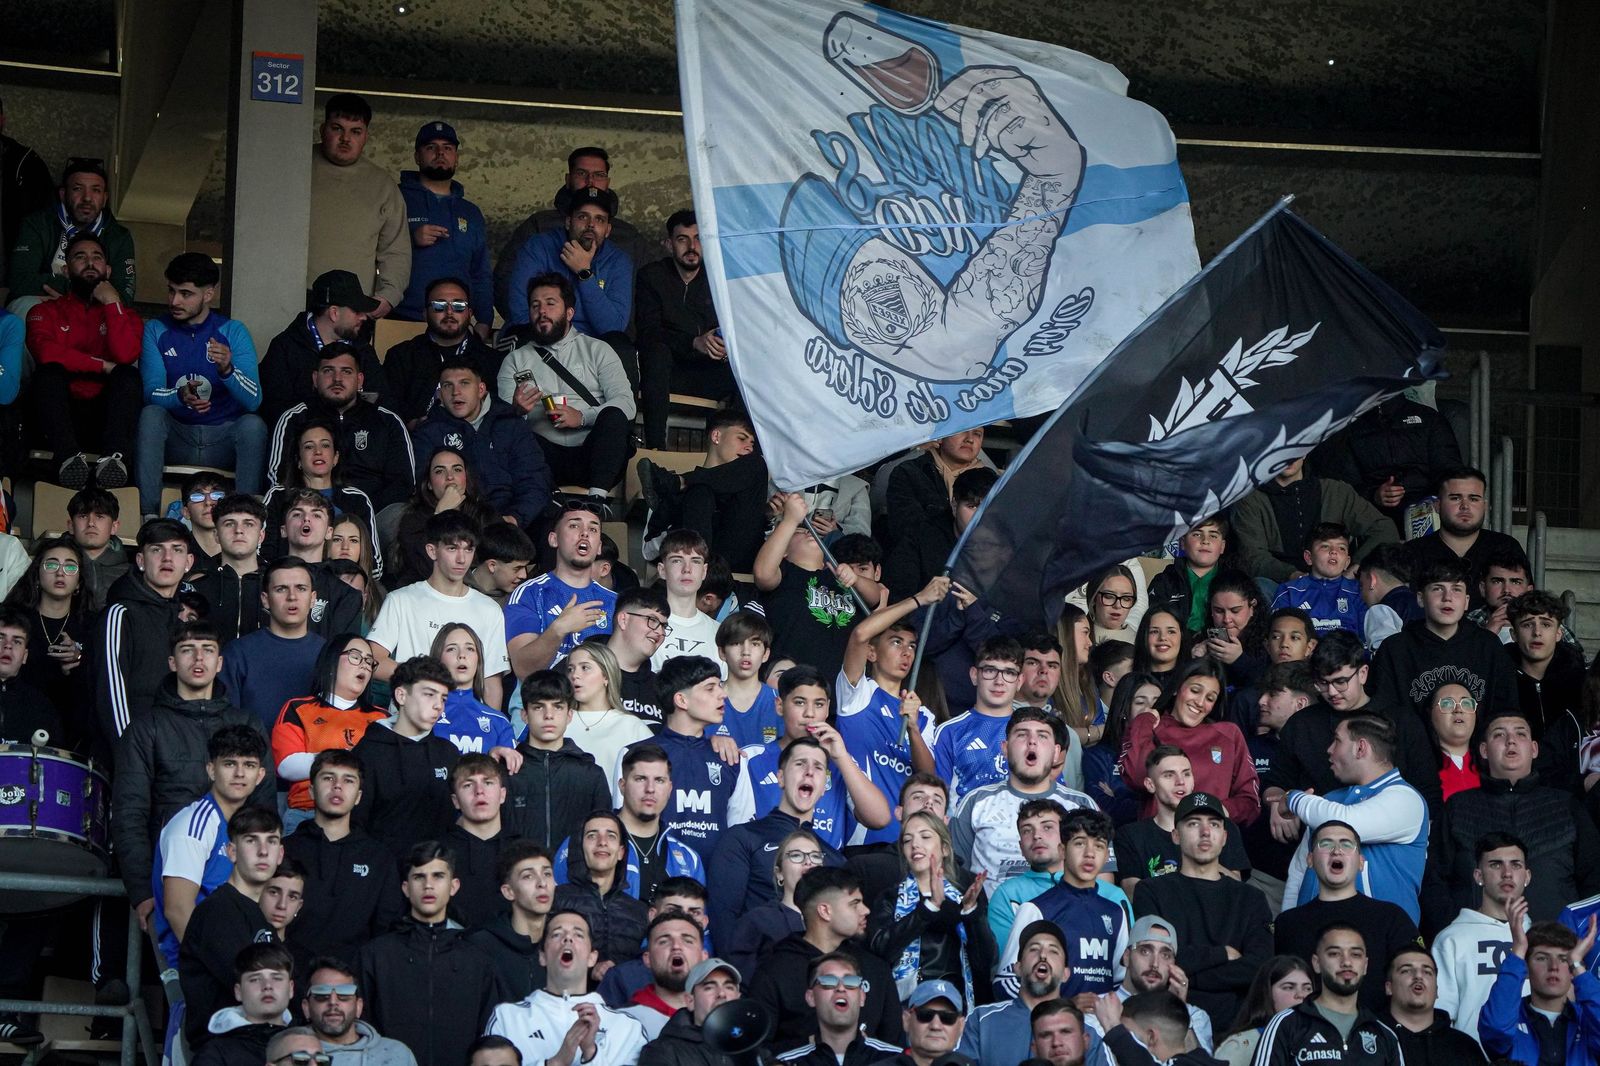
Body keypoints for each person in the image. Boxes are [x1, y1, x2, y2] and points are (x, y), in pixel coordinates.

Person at [115, 622, 274, 930]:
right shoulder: (146, 728)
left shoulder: (247, 723)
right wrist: (141, 891)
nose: (198, 659)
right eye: (188, 650)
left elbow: (264, 809)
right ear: (172, 662)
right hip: (171, 873)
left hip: (236, 875)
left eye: (208, 650)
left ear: (220, 662)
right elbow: (129, 812)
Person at [134, 252, 266, 515]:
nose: (174, 301)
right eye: (171, 291)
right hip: (178, 437)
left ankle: (246, 516)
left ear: (209, 294)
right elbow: (151, 392)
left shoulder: (233, 331)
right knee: (151, 415)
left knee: (253, 425)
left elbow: (254, 400)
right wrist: (180, 395)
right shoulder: (156, 329)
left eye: (186, 294)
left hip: (223, 440)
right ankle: (148, 516)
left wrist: (227, 370)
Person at [1261, 629, 1441, 821]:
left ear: (1362, 674)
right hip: (1313, 832)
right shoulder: (1301, 724)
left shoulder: (1403, 721)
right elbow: (1275, 784)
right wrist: (1278, 806)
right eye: (1322, 683)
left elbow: (1427, 792)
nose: (1331, 692)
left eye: (1340, 681)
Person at [1439, 709, 1600, 921]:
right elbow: (1436, 880)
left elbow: (1594, 878)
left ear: (1534, 749)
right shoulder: (1458, 806)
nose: (1511, 741)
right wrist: (1451, 930)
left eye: (1520, 734)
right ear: (1484, 750)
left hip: (1557, 946)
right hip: (1473, 947)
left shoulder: (1567, 805)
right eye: (1499, 734)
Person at [1130, 793, 1272, 1031]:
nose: (1205, 832)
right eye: (1194, 823)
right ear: (1175, 835)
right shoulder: (1150, 891)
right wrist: (1221, 954)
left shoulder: (1251, 898)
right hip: (1170, 1022)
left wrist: (1190, 976)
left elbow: (1260, 968)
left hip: (1239, 1029)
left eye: (1214, 824)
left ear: (1225, 837)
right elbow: (1155, 961)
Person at [357, 841, 499, 1066]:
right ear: (405, 888)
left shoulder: (478, 961)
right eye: (419, 877)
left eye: (438, 876)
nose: (428, 885)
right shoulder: (376, 955)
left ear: (454, 886)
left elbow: (488, 1036)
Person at [498, 272, 636, 504]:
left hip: (594, 455)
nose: (542, 312)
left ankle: (597, 502)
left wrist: (582, 417)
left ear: (569, 312)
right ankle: (550, 499)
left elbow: (627, 404)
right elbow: (500, 422)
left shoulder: (598, 350)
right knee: (507, 425)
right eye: (535, 306)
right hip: (543, 457)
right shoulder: (515, 359)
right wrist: (516, 410)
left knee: (615, 415)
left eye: (550, 304)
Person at [1278, 716, 1430, 924]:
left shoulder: (1406, 798)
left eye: (1337, 741)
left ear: (1360, 748)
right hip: (1313, 934)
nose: (1329, 750)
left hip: (1378, 936)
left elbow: (1345, 823)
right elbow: (1299, 871)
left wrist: (1292, 798)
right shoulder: (1328, 802)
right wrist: (1288, 925)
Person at [147, 724, 270, 966]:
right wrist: (222, 969)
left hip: (236, 957)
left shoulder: (244, 827)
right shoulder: (193, 824)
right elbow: (178, 910)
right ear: (211, 770)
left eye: (249, 765)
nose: (239, 773)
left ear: (260, 775)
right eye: (229, 764)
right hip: (197, 967)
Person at [25, 231, 141, 487]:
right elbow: (46, 353)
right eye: (80, 257)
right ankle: (68, 459)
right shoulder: (44, 311)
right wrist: (102, 365)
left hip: (104, 421)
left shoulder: (126, 315)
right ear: (66, 270)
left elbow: (126, 355)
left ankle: (114, 459)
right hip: (58, 422)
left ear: (108, 270)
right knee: (48, 374)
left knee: (128, 375)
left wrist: (112, 302)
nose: (90, 263)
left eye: (96, 257)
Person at [708, 735, 848, 940]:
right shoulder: (743, 838)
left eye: (818, 767)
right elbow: (724, 921)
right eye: (800, 764)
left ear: (824, 785)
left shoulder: (835, 859)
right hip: (757, 964)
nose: (809, 771)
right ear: (780, 778)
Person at [1272, 821, 1421, 1011]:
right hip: (1304, 1034)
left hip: (1376, 1033)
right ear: (1310, 859)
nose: (1336, 851)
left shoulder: (1391, 917)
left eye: (1346, 844)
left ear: (1361, 862)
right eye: (1325, 844)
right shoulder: (1288, 923)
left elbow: (1413, 981)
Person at [367, 515, 510, 710]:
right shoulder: (401, 600)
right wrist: (421, 678)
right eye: (452, 548)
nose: (461, 559)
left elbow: (491, 682)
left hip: (467, 724)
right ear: (432, 551)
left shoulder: (489, 609)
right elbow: (373, 660)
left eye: (468, 549)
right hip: (411, 719)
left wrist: (491, 727)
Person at [743, 665, 892, 850]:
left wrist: (841, 757)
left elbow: (880, 819)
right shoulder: (750, 758)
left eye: (819, 704)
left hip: (824, 874)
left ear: (828, 708)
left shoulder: (841, 763)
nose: (810, 713)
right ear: (780, 706)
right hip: (766, 870)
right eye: (799, 702)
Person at [751, 867, 905, 1045]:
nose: (866, 910)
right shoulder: (774, 971)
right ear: (825, 911)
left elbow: (894, 1045)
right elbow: (759, 1048)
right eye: (855, 903)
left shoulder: (876, 968)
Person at [952, 706, 1099, 891]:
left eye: (1042, 736)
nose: (1032, 742)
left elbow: (1103, 881)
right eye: (1021, 735)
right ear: (1004, 749)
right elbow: (955, 878)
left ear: (1055, 752)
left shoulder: (1083, 805)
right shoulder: (974, 802)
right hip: (991, 916)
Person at [619, 655, 752, 858]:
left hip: (711, 884)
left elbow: (739, 836)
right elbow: (621, 828)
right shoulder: (632, 755)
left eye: (720, 686)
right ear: (681, 700)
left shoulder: (732, 758)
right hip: (651, 881)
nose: (722, 694)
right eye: (710, 688)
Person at [281, 750, 404, 967]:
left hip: (354, 984)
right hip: (290, 978)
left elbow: (387, 931)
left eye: (348, 780)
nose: (337, 786)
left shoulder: (379, 858)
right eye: (328, 778)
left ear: (358, 796)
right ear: (310, 791)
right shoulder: (284, 851)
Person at [267, 341, 415, 516]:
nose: (337, 379)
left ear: (360, 380)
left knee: (400, 516)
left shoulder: (387, 420)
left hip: (375, 514)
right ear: (315, 379)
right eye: (328, 371)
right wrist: (318, 509)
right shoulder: (295, 418)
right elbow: (279, 477)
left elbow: (403, 483)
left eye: (346, 371)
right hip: (309, 513)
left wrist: (362, 511)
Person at [486, 907, 649, 1066]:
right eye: (557, 934)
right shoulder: (508, 1018)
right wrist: (557, 1062)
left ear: (592, 958)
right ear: (542, 956)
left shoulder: (627, 1028)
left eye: (578, 935)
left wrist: (591, 1053)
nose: (567, 939)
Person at [179, 805, 285, 1046]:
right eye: (251, 841)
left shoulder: (258, 914)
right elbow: (253, 986)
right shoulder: (217, 912)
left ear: (280, 854)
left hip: (258, 1042)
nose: (262, 851)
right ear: (231, 852)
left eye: (271, 841)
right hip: (226, 1048)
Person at [866, 807, 995, 1005]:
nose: (915, 844)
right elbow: (880, 949)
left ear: (944, 848)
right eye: (907, 840)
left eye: (925, 837)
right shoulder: (889, 897)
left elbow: (986, 961)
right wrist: (929, 908)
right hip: (903, 1008)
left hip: (954, 1008)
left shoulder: (963, 898)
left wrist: (971, 912)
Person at [994, 808, 1127, 1000]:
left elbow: (1120, 983)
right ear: (1062, 850)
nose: (1090, 854)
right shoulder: (1036, 909)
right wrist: (1062, 1007)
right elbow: (1005, 983)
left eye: (1099, 846)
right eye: (1080, 843)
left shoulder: (1115, 913)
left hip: (1101, 1027)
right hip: (1049, 1026)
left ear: (1107, 856)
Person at [1369, 557, 1519, 723]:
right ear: (1420, 599)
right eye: (1437, 589)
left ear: (1467, 601)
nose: (1447, 597)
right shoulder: (1395, 649)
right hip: (1412, 747)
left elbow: (1506, 712)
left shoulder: (1489, 646)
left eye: (1456, 589)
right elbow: (1382, 713)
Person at [92, 517, 192, 762]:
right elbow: (111, 696)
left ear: (188, 562)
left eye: (177, 550)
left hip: (178, 764)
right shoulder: (120, 614)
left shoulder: (186, 623)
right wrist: (134, 759)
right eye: (157, 550)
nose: (167, 558)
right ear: (140, 561)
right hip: (133, 763)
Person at [754, 491, 883, 681]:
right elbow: (763, 573)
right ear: (783, 552)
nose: (808, 532)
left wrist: (855, 580)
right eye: (799, 532)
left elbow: (874, 597)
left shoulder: (837, 578)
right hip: (793, 685)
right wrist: (790, 521)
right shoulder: (785, 574)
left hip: (837, 690)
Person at [412, 357, 552, 528]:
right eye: (448, 385)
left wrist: (515, 518)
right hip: (458, 525)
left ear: (481, 389)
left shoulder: (511, 423)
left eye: (464, 383)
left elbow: (534, 480)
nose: (456, 392)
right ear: (440, 395)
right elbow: (424, 488)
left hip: (514, 523)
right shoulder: (428, 432)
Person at [634, 210, 732, 447]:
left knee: (748, 370)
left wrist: (726, 345)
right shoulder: (652, 276)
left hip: (706, 373)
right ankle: (656, 448)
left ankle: (732, 458)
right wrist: (693, 342)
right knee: (656, 353)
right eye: (682, 239)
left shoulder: (717, 279)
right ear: (669, 244)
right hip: (666, 375)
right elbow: (648, 332)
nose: (692, 246)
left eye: (698, 238)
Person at [308, 93, 409, 320]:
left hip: (353, 308)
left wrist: (388, 296)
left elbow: (396, 251)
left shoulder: (383, 185)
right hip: (291, 299)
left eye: (355, 131)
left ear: (365, 137)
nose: (346, 138)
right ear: (323, 129)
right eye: (337, 128)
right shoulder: (296, 165)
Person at [1119, 659, 1259, 824]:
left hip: (1210, 842)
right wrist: (1144, 719)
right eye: (1195, 690)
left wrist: (1210, 812)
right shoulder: (1150, 727)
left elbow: (1250, 801)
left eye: (1210, 698)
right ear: (1176, 688)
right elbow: (1137, 777)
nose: (1200, 703)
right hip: (1158, 841)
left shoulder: (1228, 734)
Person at [349, 656, 460, 857]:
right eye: (429, 694)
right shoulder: (368, 752)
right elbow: (355, 824)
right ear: (401, 695)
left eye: (443, 698)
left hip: (437, 877)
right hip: (381, 872)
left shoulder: (449, 753)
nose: (438, 706)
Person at [270, 635, 385, 829]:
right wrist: (350, 758)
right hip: (307, 812)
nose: (364, 665)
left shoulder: (381, 718)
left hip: (365, 815)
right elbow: (286, 765)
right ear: (331, 661)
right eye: (355, 656)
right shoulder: (298, 708)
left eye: (368, 661)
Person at [1248, 923, 1403, 1065]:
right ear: (1317, 963)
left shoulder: (1384, 1034)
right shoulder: (1286, 1024)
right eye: (1334, 954)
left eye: (1355, 954)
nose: (1347, 962)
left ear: (1365, 966)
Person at [1229, 456, 1397, 585]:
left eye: (1295, 449)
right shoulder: (1250, 500)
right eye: (1282, 451)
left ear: (1306, 450)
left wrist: (1356, 567)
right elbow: (1252, 557)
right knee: (1259, 587)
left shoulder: (1335, 491)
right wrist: (1293, 576)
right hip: (1281, 584)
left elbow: (1384, 528)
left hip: (1338, 579)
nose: (1289, 457)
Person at [1113, 746, 1250, 897]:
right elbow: (1133, 893)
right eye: (1169, 775)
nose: (1180, 782)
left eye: (1186, 774)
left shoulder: (1221, 827)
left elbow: (1239, 890)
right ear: (1150, 785)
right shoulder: (1131, 835)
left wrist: (1205, 864)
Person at [501, 186, 633, 341]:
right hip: (538, 336)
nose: (591, 224)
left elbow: (613, 327)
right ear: (569, 221)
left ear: (608, 230)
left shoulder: (618, 260)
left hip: (591, 346)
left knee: (621, 345)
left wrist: (585, 274)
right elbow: (520, 311)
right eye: (583, 217)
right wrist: (561, 346)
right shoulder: (539, 246)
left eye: (599, 219)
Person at [1315, 394, 1463, 531]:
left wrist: (1441, 498)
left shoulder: (1429, 418)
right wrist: (1374, 495)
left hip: (1430, 510)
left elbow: (1450, 471)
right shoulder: (1351, 428)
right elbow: (1342, 486)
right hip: (1375, 517)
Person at [260, 269, 388, 427]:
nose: (363, 316)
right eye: (356, 310)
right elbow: (274, 411)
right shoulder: (285, 347)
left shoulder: (363, 349)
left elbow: (384, 403)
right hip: (305, 444)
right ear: (334, 313)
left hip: (356, 443)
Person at [261, 415, 385, 576]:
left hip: (344, 584)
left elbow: (373, 564)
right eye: (309, 447)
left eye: (325, 446)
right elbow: (263, 553)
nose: (318, 452)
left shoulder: (357, 499)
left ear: (335, 458)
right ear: (298, 460)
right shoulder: (278, 496)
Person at [395, 122, 492, 328]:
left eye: (447, 148)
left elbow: (480, 272)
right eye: (431, 147)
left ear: (456, 158)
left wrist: (484, 320)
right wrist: (409, 238)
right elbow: (368, 250)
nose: (440, 153)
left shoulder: (470, 212)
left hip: (455, 323)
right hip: (400, 317)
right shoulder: (395, 198)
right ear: (417, 156)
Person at [504, 669, 612, 851]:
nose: (549, 715)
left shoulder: (590, 773)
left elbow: (605, 836)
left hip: (575, 877)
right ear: (524, 715)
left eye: (558, 707)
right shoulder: (506, 770)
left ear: (569, 715)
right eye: (538, 707)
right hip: (518, 875)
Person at [504, 500, 615, 676]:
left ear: (599, 547)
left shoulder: (614, 602)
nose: (585, 533)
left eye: (593, 529)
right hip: (544, 700)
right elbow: (523, 670)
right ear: (554, 539)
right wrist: (559, 629)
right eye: (574, 526)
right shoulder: (529, 593)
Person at [7, 156, 134, 305]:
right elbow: (19, 281)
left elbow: (124, 298)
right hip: (44, 304)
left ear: (105, 198)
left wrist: (74, 300)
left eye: (96, 190)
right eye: (77, 189)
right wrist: (78, 291)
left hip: (93, 313)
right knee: (25, 305)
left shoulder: (119, 236)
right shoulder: (37, 223)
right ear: (63, 194)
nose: (87, 198)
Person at [219, 556, 327, 730]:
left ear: (313, 598)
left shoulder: (329, 654)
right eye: (281, 589)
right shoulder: (237, 653)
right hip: (251, 754)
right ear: (265, 599)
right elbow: (225, 722)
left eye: (301, 588)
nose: (292, 597)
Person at [1478, 914, 1600, 1064]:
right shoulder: (1510, 1020)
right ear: (1526, 968)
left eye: (1564, 959)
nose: (1553, 967)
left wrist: (1577, 965)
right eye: (1542, 958)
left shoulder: (1587, 1020)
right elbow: (1495, 1029)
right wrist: (1517, 953)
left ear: (1572, 971)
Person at [3, 536, 94, 733]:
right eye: (51, 565)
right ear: (36, 576)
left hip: (73, 729)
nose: (60, 572)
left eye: (70, 568)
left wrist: (79, 658)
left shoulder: (92, 626)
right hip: (16, 724)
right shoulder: (13, 621)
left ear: (79, 583)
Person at [385, 276, 503, 426]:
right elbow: (388, 409)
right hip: (417, 440)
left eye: (458, 305)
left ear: (469, 313)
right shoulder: (401, 356)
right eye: (439, 306)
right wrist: (412, 424)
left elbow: (499, 416)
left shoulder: (492, 360)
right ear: (425, 314)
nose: (449, 312)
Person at [1406, 468, 1528, 611]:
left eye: (1474, 499)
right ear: (1437, 506)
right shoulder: (1412, 552)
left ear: (1484, 505)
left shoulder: (1506, 546)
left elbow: (1525, 605)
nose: (1465, 506)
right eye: (1455, 498)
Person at [928, 637, 1027, 804]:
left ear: (1020, 681)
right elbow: (937, 799)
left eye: (1009, 672)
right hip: (966, 828)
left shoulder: (1035, 730)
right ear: (974, 675)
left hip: (1024, 827)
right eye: (990, 670)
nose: (999, 681)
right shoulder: (949, 731)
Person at [958, 921, 1071, 1066]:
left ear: (1066, 974)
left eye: (1053, 951)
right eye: (1034, 949)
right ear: (1017, 968)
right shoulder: (981, 1020)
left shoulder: (1083, 1029)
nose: (1043, 955)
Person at [554, 810, 651, 969]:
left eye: (611, 836)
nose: (602, 842)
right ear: (580, 848)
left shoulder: (639, 912)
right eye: (592, 835)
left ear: (621, 852)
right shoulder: (556, 900)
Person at [726, 826, 827, 979]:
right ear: (779, 873)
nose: (808, 862)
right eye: (796, 855)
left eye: (815, 856)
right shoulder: (757, 921)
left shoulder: (835, 920)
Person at [391, 446, 499, 586]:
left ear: (466, 478)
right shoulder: (413, 519)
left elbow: (505, 560)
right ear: (429, 483)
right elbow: (426, 566)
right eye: (440, 471)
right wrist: (441, 513)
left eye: (457, 469)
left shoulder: (484, 513)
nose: (450, 477)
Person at [772, 952, 904, 1065]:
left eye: (851, 982)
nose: (841, 988)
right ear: (811, 997)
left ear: (862, 997)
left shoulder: (898, 1060)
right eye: (828, 981)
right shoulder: (787, 1062)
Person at [468, 840, 556, 1001]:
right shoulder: (481, 948)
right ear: (508, 892)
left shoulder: (563, 944)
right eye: (528, 876)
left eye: (547, 874)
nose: (542, 883)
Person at [269, 490, 366, 637]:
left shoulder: (346, 595)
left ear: (329, 532)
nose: (306, 519)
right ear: (283, 530)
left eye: (316, 515)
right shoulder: (263, 583)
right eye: (297, 514)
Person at [1381, 946, 1489, 1066]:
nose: (1418, 976)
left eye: (1427, 972)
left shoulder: (1464, 1047)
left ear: (1437, 990)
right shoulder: (1370, 1038)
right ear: (1388, 987)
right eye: (1406, 970)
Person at [301, 957, 419, 1066]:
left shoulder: (398, 1054)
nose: (333, 1002)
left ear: (359, 1006)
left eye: (344, 994)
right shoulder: (291, 1054)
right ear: (306, 1007)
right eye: (322, 995)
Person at [191, 942, 295, 1066]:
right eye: (255, 979)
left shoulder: (310, 1042)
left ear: (291, 988)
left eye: (277, 978)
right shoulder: (216, 1053)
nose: (267, 986)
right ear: (238, 992)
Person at [636, 957, 751, 1066]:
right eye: (709, 987)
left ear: (738, 998)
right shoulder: (661, 1052)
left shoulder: (755, 1048)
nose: (721, 993)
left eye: (729, 987)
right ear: (690, 1001)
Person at [564, 640, 656, 775]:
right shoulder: (558, 720)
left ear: (606, 676)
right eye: (571, 669)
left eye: (585, 668)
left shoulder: (631, 726)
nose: (574, 675)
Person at [1211, 956, 1313, 1066]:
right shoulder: (1242, 1044)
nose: (1301, 995)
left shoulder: (1327, 1037)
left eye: (1307, 988)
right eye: (1288, 987)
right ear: (1267, 993)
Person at [1268, 523, 1366, 636]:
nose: (1334, 551)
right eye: (1325, 546)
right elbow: (1279, 636)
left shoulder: (1358, 591)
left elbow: (1367, 638)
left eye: (1341, 548)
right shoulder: (1289, 591)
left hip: (1349, 652)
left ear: (1347, 562)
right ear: (1309, 558)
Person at [619, 911, 706, 1039]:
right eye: (664, 941)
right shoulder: (623, 1021)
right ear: (647, 959)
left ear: (704, 957)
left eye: (687, 940)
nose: (676, 946)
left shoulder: (723, 1015)